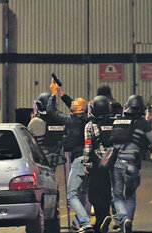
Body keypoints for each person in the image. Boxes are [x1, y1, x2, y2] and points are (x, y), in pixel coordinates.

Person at [46, 80, 92, 233]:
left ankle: (85, 222)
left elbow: (51, 111)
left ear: (79, 108)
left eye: (75, 102)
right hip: (90, 161)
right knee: (83, 192)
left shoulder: (70, 120)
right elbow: (73, 105)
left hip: (79, 161)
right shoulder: (88, 119)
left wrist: (53, 94)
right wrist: (61, 94)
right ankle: (77, 222)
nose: (72, 102)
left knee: (72, 194)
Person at [110, 95, 152, 233]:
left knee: (117, 196)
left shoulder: (118, 121)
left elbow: (110, 141)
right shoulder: (143, 124)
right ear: (142, 109)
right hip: (132, 165)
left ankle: (123, 219)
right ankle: (128, 222)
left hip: (117, 164)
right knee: (130, 196)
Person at [83, 95, 115, 233]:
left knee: (93, 195)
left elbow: (88, 147)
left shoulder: (90, 125)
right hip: (111, 162)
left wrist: (86, 163)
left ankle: (104, 215)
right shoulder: (114, 122)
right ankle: (101, 223)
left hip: (97, 163)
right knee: (106, 194)